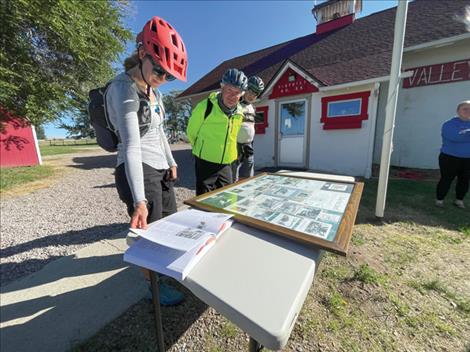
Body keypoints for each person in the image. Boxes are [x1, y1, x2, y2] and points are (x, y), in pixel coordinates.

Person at [106, 16, 188, 305]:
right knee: (149, 236)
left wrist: (171, 160)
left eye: (170, 76)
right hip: (137, 166)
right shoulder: (123, 88)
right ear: (142, 53)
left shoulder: (153, 91)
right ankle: (153, 288)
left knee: (170, 223)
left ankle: (165, 273)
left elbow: (159, 130)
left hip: (159, 167)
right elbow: (130, 145)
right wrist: (139, 199)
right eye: (159, 70)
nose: (163, 78)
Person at [186, 68, 248, 195]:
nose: (232, 96)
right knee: (205, 203)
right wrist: (201, 148)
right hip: (205, 161)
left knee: (227, 199)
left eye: (236, 92)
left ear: (241, 95)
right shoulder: (205, 106)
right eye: (229, 90)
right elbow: (191, 132)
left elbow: (233, 137)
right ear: (222, 87)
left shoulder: (240, 113)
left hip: (226, 163)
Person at [435, 100, 470, 209]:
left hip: (468, 159)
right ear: (458, 111)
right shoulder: (449, 124)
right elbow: (454, 137)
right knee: (446, 179)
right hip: (449, 158)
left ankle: (459, 200)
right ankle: (439, 200)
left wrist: (465, 134)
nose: (468, 111)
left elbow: (461, 137)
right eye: (465, 109)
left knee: (464, 180)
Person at [232, 75, 265, 182]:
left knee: (248, 178)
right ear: (245, 89)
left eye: (255, 94)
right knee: (233, 177)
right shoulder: (235, 105)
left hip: (248, 145)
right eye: (250, 91)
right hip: (235, 145)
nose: (252, 96)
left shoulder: (252, 108)